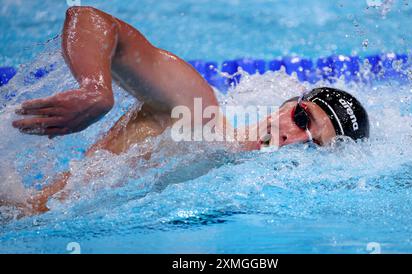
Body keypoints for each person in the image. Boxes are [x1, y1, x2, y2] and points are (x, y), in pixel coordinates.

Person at [8, 6, 369, 215]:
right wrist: (95, 88)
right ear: (288, 104)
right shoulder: (197, 113)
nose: (294, 138)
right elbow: (91, 19)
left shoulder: (235, 187)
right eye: (303, 118)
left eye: (313, 145)